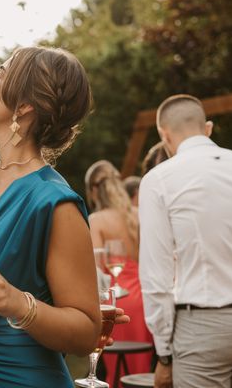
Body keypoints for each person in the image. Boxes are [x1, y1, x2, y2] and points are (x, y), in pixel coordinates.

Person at [0, 46, 126, 387]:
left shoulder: (53, 200)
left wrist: (15, 302)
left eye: (1, 74)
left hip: (16, 378)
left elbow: (85, 332)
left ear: (23, 106)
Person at [138, 94, 232, 388]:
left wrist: (164, 354)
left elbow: (157, 277)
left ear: (163, 134)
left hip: (203, 326)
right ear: (208, 128)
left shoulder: (159, 180)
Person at [84, 160, 153, 378]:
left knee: (116, 368)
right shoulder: (139, 214)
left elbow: (96, 269)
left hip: (118, 300)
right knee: (143, 367)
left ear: (94, 190)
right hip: (145, 296)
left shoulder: (96, 220)